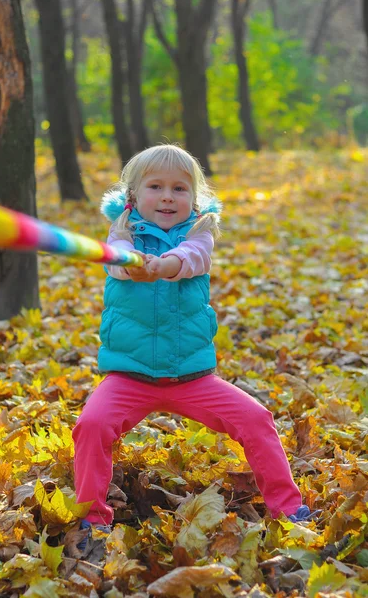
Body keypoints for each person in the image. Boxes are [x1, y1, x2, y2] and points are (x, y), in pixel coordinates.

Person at [72, 144, 313, 548]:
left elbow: (189, 258)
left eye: (180, 188)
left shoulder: (200, 234)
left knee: (256, 419)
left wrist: (163, 266)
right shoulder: (122, 232)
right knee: (92, 425)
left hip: (191, 377)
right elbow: (117, 262)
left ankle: (289, 509)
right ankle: (93, 521)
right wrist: (134, 264)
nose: (168, 196)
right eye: (156, 186)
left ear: (194, 199)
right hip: (130, 376)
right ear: (133, 197)